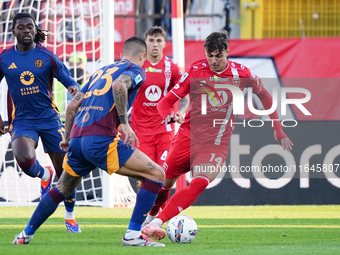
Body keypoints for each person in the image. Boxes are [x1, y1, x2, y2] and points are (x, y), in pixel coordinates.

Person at [12, 36, 166, 247]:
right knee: (156, 174)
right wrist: (125, 123)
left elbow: (71, 106)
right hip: (101, 140)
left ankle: (25, 234)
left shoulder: (100, 71)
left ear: (122, 53)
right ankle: (133, 235)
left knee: (61, 188)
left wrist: (66, 137)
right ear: (142, 56)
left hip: (77, 139)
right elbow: (120, 85)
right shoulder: (136, 70)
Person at [141, 30, 294, 240]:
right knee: (163, 183)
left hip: (215, 143)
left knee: (200, 181)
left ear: (227, 52)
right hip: (187, 136)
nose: (213, 60)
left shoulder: (242, 74)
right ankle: (148, 221)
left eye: (218, 55)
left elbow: (266, 96)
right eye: (209, 55)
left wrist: (278, 129)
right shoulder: (196, 70)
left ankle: (157, 223)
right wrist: (168, 115)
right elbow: (165, 102)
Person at [0, 12, 81, 233]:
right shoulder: (5, 58)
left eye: (30, 27)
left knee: (66, 172)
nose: (26, 30)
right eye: (21, 27)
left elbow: (70, 82)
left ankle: (70, 215)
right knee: (24, 158)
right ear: (13, 31)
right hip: (23, 120)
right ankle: (44, 176)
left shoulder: (47, 57)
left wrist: (75, 91)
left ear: (36, 30)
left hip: (49, 118)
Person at [130, 26, 188, 167]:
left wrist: (181, 111)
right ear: (145, 43)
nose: (155, 44)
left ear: (164, 43)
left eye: (158, 40)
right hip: (141, 130)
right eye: (151, 40)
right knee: (146, 176)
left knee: (164, 173)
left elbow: (184, 95)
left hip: (165, 129)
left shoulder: (172, 68)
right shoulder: (136, 66)